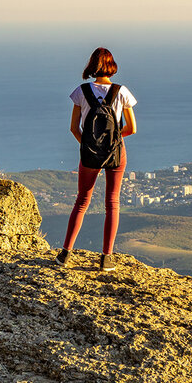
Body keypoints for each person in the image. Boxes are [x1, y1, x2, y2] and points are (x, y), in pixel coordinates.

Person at [56, 47, 138, 271]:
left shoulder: (80, 92)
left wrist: (91, 144)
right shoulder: (121, 92)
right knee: (112, 203)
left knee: (81, 202)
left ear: (91, 65)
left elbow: (74, 128)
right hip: (116, 153)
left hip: (89, 154)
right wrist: (111, 141)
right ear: (112, 66)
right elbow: (132, 128)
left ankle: (65, 254)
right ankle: (106, 258)